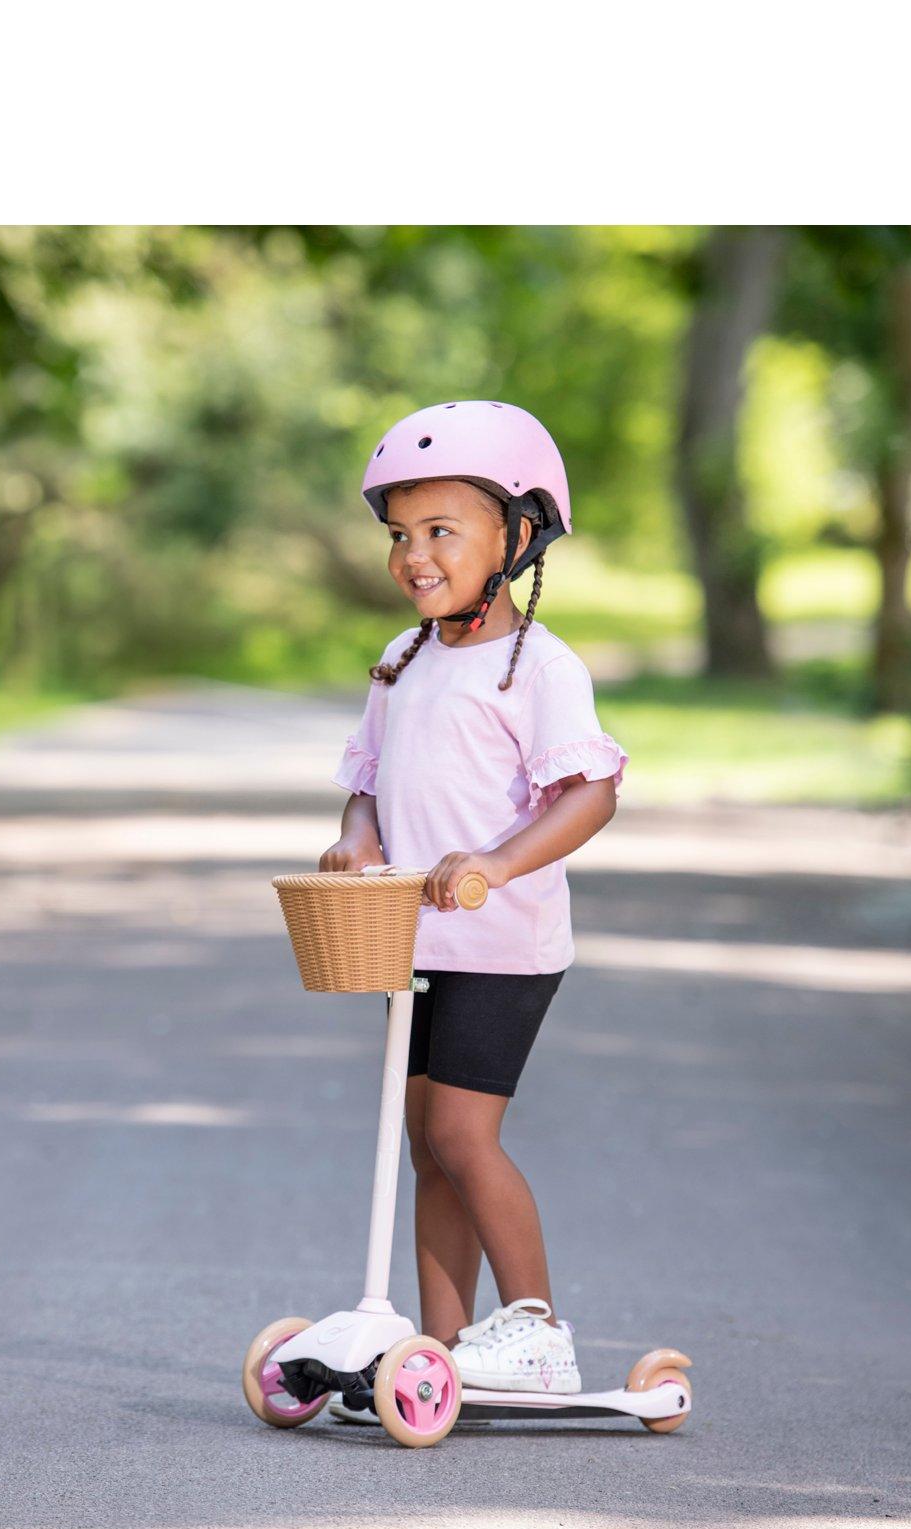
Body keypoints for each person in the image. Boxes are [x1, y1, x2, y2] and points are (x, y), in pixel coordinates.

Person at [318, 401, 627, 1421]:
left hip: (504, 941)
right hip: (418, 938)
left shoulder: (537, 667)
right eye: (400, 534)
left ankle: (535, 1328)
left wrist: (496, 861)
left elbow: (589, 792)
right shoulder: (403, 660)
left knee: (460, 1132)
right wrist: (361, 837)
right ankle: (443, 1347)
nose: (414, 556)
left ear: (518, 535)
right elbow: (370, 778)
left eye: (441, 530)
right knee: (423, 1139)